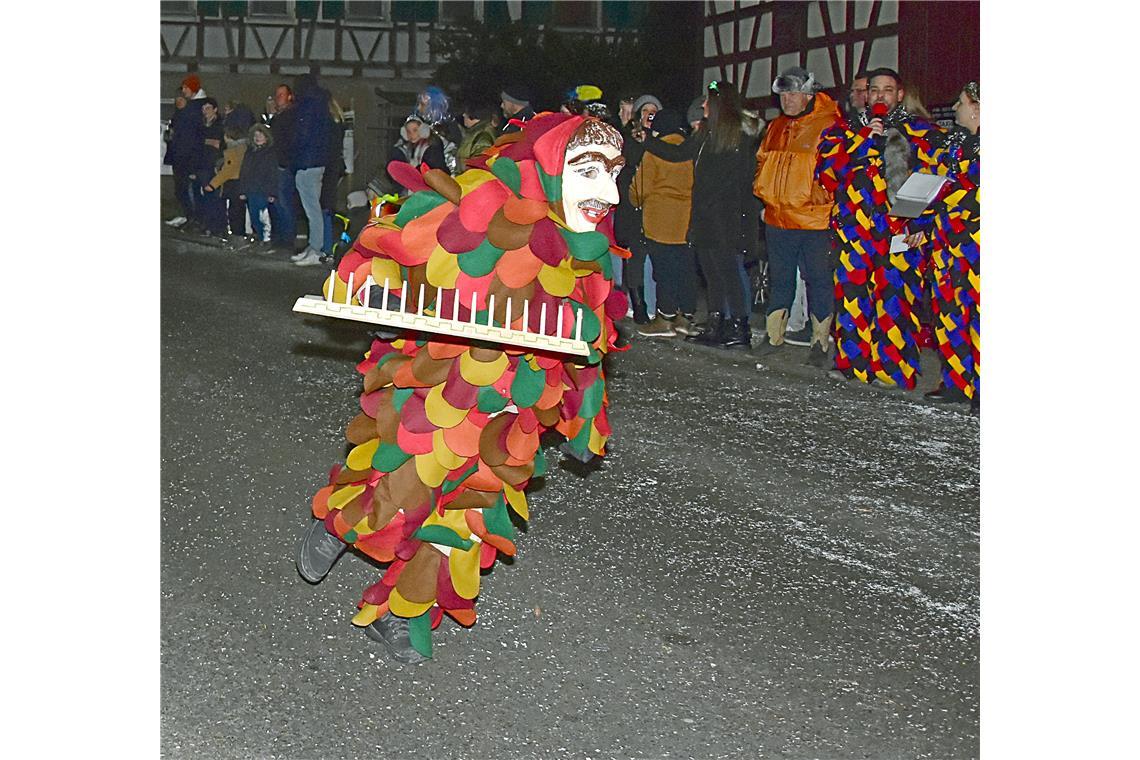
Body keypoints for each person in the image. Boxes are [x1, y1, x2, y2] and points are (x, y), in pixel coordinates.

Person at [294, 113, 630, 663]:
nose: (609, 193)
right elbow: (395, 246)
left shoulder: (589, 252)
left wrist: (585, 413)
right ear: (547, 166)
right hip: (440, 389)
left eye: (616, 174)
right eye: (591, 172)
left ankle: (401, 614)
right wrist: (377, 292)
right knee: (400, 490)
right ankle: (340, 523)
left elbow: (592, 338)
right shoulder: (482, 203)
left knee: (469, 521)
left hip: (515, 413)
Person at [816, 67, 944, 389]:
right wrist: (864, 142)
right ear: (865, 94)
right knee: (853, 299)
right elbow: (827, 176)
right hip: (855, 233)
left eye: (888, 90)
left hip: (899, 232)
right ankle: (853, 364)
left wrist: (920, 223)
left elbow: (934, 181)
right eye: (874, 90)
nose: (880, 96)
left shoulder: (919, 132)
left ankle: (894, 369)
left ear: (899, 94)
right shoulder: (842, 132)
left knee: (896, 300)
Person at [752, 66, 842, 366]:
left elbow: (836, 171)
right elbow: (762, 162)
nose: (787, 100)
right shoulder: (776, 126)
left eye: (793, 94)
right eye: (783, 94)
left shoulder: (828, 125)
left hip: (813, 220)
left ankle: (819, 341)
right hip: (778, 219)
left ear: (808, 95)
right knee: (780, 279)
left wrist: (818, 197)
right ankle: (774, 336)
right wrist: (765, 196)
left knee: (818, 280)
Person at [924, 81, 980, 410]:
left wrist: (945, 195)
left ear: (976, 107)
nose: (955, 108)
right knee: (949, 312)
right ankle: (958, 380)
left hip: (974, 242)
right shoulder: (956, 144)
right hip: (947, 243)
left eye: (960, 102)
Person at [629, 109, 698, 337]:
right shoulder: (690, 149)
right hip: (686, 219)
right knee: (685, 270)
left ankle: (665, 318)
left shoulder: (654, 151)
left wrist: (633, 197)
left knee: (664, 270)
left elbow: (641, 188)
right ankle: (684, 316)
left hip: (660, 220)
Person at [290, 73, 333, 267]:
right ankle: (313, 246)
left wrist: (296, 155)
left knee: (312, 209)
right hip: (317, 161)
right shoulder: (321, 104)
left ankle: (316, 249)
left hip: (307, 162)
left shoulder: (307, 106)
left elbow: (302, 135)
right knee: (313, 208)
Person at [165, 74, 208, 229]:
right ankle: (190, 217)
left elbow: (191, 136)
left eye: (185, 88)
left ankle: (194, 218)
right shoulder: (190, 108)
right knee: (184, 188)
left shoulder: (194, 108)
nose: (183, 91)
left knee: (189, 188)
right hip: (184, 154)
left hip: (187, 156)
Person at [268, 83, 300, 254]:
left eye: (281, 94)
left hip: (285, 165)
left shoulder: (291, 116)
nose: (278, 97)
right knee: (277, 202)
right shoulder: (279, 117)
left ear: (289, 96)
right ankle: (280, 236)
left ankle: (288, 238)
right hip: (276, 164)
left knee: (285, 202)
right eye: (276, 94)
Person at [239, 123, 278, 250]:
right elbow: (244, 171)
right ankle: (260, 238)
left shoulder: (270, 154)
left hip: (263, 190)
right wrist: (243, 189)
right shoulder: (250, 153)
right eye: (255, 135)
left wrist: (272, 193)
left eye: (260, 135)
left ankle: (267, 240)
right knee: (254, 215)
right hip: (251, 189)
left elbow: (272, 174)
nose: (257, 137)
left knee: (263, 216)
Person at [193, 97, 227, 238]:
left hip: (214, 165)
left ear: (215, 110)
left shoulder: (220, 125)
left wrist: (209, 142)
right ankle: (207, 225)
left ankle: (217, 227)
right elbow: (196, 144)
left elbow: (220, 144)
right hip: (202, 165)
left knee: (216, 196)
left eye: (208, 108)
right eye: (203, 109)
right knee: (205, 196)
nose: (205, 111)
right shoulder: (200, 126)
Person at [456, 103, 499, 173]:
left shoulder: (483, 137)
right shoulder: (475, 133)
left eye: (466, 113)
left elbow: (479, 166)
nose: (463, 115)